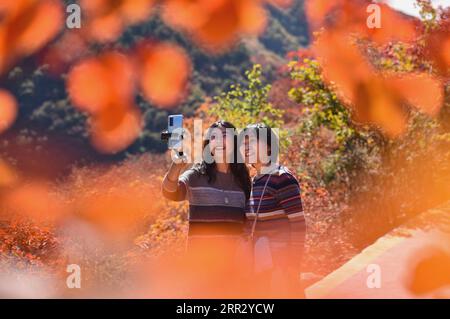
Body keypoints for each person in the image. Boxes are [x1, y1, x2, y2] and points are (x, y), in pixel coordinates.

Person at [161, 120, 251, 297]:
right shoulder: (197, 175)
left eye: (225, 136)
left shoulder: (243, 181)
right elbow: (170, 192)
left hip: (234, 269)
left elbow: (247, 222)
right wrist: (175, 167)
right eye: (214, 137)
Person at [240, 123, 306, 298]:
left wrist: (293, 265)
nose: (246, 148)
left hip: (281, 267)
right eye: (244, 144)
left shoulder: (282, 178)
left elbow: (298, 225)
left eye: (252, 142)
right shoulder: (255, 181)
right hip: (262, 267)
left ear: (268, 146)